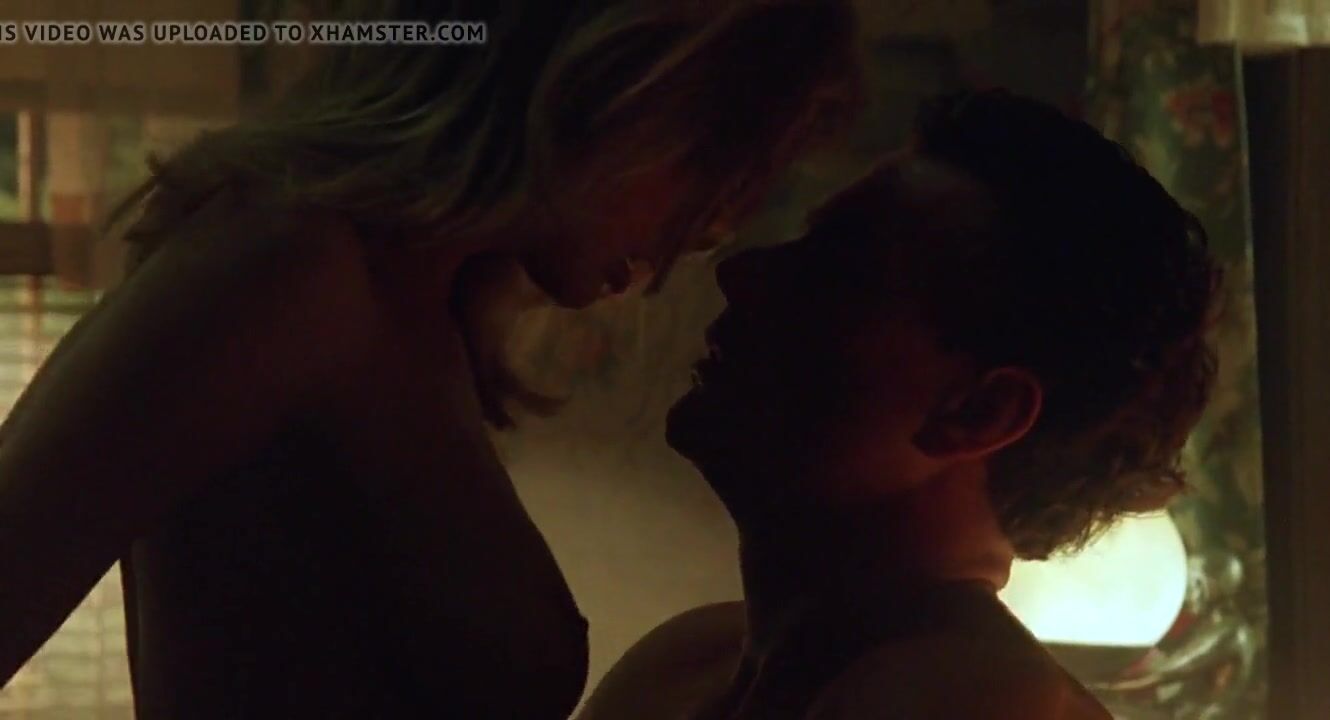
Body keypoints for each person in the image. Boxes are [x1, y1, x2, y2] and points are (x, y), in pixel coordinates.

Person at [0, 1, 861, 718]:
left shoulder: (426, 308)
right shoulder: (293, 272)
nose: (714, 231)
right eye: (719, 168)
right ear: (621, 87)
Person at [577, 90, 1221, 720]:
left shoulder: (982, 705)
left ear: (979, 413)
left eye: (836, 273)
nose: (741, 272)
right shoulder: (690, 657)